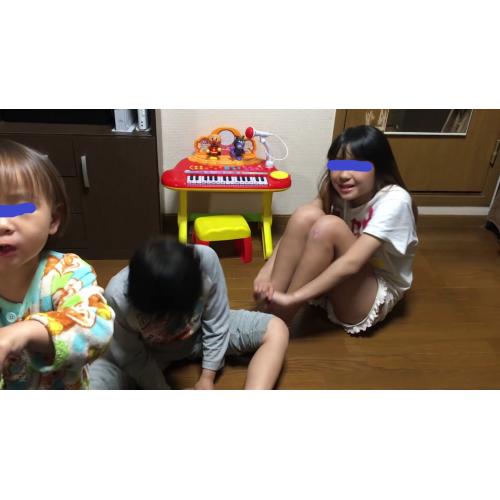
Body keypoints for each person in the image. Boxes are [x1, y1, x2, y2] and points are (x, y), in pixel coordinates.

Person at [253, 125, 418, 335]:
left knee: (329, 227)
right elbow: (296, 229)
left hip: (372, 292)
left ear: (379, 167)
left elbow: (352, 262)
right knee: (306, 215)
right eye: (337, 165)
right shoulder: (336, 189)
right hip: (338, 278)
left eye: (357, 166)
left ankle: (279, 319)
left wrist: (293, 298)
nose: (343, 175)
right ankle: (269, 302)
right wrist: (265, 274)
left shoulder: (394, 200)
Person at [89, 237, 289, 389]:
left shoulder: (205, 261)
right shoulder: (117, 296)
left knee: (277, 329)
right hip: (149, 352)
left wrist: (207, 377)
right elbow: (132, 356)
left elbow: (217, 319)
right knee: (91, 380)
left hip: (199, 335)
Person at [0, 139, 114, 389]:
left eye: (19, 208)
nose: (2, 224)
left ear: (53, 219)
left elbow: (98, 327)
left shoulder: (68, 272)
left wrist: (25, 332)